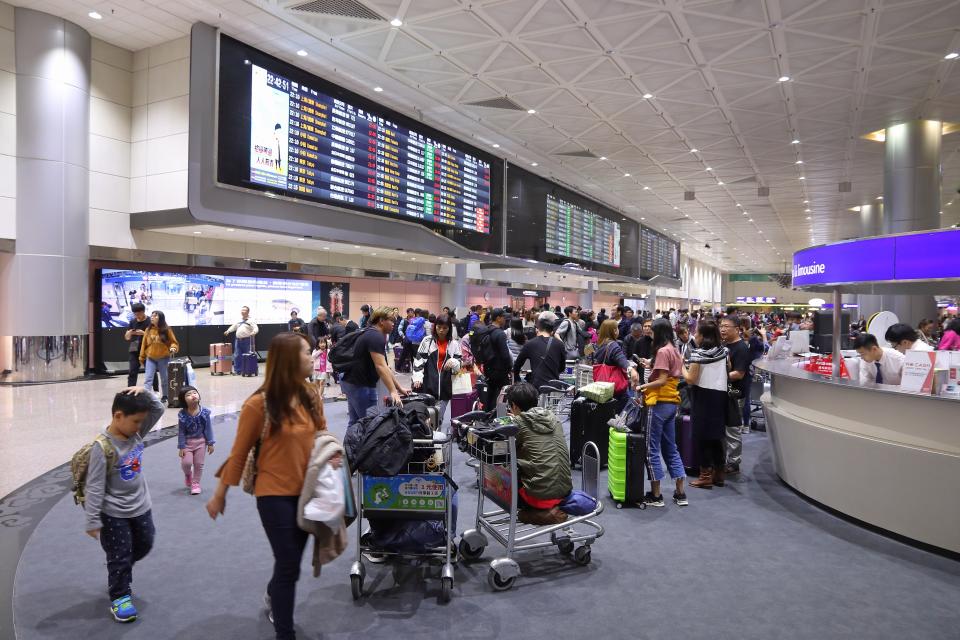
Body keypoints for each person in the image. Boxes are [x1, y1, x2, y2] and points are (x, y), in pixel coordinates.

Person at [207, 332, 334, 640]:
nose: (313, 356)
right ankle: (284, 632)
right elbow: (238, 454)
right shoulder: (258, 405)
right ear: (290, 359)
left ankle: (274, 594)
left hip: (308, 494)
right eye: (306, 352)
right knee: (289, 562)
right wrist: (220, 493)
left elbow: (322, 433)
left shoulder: (311, 394)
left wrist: (333, 455)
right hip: (272, 494)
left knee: (288, 563)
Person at [83, 387, 166, 623]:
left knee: (145, 544)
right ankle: (120, 595)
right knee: (120, 555)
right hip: (114, 512)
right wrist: (92, 519)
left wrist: (145, 392)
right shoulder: (103, 448)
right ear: (118, 416)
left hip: (141, 504)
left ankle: (119, 566)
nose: (140, 426)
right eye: (136, 421)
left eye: (141, 422)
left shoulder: (136, 433)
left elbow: (158, 409)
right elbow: (95, 486)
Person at [506, 382, 573, 526]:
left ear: (514, 406)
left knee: (505, 469)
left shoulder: (518, 423)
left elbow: (506, 448)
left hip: (539, 496)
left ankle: (535, 513)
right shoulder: (553, 417)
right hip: (565, 490)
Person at [637, 318, 687, 507]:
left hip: (658, 402)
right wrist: (651, 364)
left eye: (653, 330)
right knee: (670, 447)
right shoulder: (673, 350)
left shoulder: (662, 351)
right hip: (671, 404)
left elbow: (661, 380)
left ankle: (656, 495)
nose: (650, 332)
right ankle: (680, 493)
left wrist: (642, 386)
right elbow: (669, 374)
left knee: (651, 449)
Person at [341, 306, 409, 425]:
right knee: (371, 425)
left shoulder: (370, 332)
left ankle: (350, 444)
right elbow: (380, 367)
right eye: (391, 320)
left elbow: (385, 367)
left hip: (351, 383)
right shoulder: (376, 336)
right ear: (381, 321)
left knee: (355, 423)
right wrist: (393, 391)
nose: (394, 324)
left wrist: (398, 388)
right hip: (361, 386)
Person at [685, 321, 729, 489]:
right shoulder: (724, 351)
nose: (695, 336)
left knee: (703, 438)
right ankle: (719, 474)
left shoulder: (698, 354)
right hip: (720, 395)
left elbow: (690, 379)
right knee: (717, 437)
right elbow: (728, 369)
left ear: (703, 336)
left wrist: (682, 367)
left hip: (703, 397)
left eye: (696, 333)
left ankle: (705, 476)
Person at [411, 315, 462, 426]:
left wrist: (454, 362)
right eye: (439, 327)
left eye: (445, 328)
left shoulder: (454, 344)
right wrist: (417, 378)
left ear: (449, 328)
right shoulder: (427, 341)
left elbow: (459, 365)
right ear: (435, 327)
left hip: (445, 387)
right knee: (425, 419)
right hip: (427, 386)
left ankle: (436, 439)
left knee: (439, 419)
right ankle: (427, 441)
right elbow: (419, 361)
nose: (441, 330)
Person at [720, 316, 750, 472]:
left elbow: (739, 373)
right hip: (724, 392)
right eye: (721, 326)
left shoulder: (741, 348)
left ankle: (733, 462)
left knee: (733, 428)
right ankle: (725, 459)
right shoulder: (724, 345)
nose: (722, 329)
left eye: (726, 326)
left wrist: (718, 375)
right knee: (724, 427)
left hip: (736, 394)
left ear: (737, 329)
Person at [594, 319, 640, 412]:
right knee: (624, 413)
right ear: (614, 331)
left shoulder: (599, 344)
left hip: (601, 387)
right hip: (615, 389)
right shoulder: (613, 345)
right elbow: (622, 361)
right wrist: (631, 369)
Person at [176, 385, 214, 496]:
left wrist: (210, 443)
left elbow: (208, 428)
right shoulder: (182, 414)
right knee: (186, 463)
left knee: (199, 464)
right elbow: (181, 431)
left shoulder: (204, 412)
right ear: (183, 400)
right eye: (188, 394)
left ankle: (196, 483)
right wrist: (181, 446)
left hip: (201, 442)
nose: (193, 395)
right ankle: (188, 475)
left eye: (194, 392)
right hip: (187, 443)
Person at [513, 312, 566, 390]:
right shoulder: (560, 344)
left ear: (538, 328)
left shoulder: (530, 344)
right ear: (552, 330)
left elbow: (517, 365)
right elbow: (562, 367)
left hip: (536, 386)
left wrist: (517, 379)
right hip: (554, 386)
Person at [138, 310, 179, 405]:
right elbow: (144, 344)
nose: (152, 317)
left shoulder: (167, 329)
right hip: (150, 358)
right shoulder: (148, 330)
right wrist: (141, 357)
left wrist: (173, 348)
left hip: (164, 358)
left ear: (160, 318)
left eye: (155, 316)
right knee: (148, 379)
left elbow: (174, 342)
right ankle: (145, 398)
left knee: (165, 378)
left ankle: (165, 396)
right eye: (151, 316)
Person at [479, 308, 514, 411]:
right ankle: (499, 417)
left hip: (488, 368)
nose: (505, 319)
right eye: (503, 317)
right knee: (503, 396)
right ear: (498, 318)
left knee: (490, 395)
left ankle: (487, 416)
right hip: (500, 371)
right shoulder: (500, 334)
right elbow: (505, 355)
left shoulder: (486, 330)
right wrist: (509, 368)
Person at [224, 306, 259, 375]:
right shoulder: (238, 320)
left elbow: (256, 328)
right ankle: (238, 371)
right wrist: (228, 331)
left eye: (244, 310)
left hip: (247, 340)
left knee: (249, 355)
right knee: (237, 355)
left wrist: (254, 332)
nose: (242, 311)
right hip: (238, 340)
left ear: (248, 312)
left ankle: (252, 369)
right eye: (242, 310)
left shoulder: (251, 320)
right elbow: (234, 327)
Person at [123, 303, 151, 388]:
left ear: (143, 311)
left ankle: (155, 390)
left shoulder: (150, 321)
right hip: (134, 348)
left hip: (147, 349)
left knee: (150, 371)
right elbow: (127, 338)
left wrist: (144, 333)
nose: (137, 316)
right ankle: (130, 390)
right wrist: (129, 333)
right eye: (135, 314)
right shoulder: (132, 321)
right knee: (132, 371)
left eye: (138, 313)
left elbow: (155, 337)